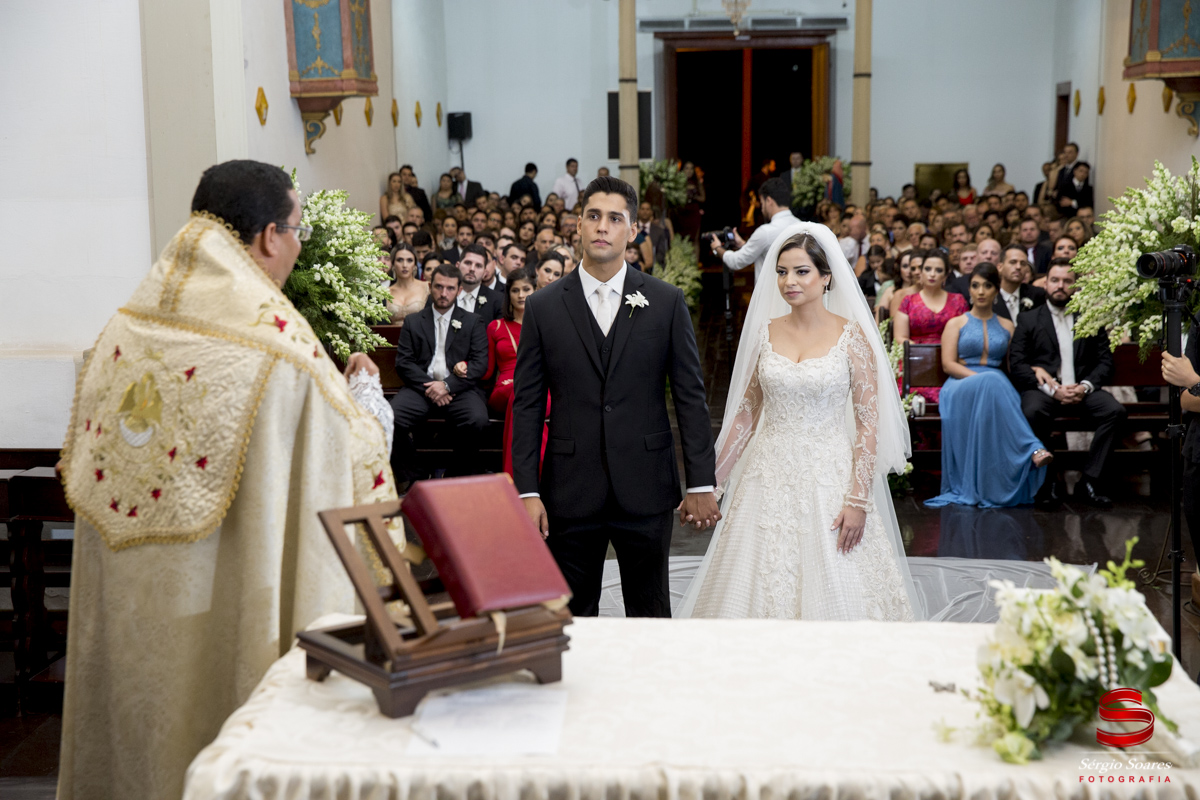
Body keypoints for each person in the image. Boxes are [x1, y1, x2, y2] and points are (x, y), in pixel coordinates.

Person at [57, 160, 403, 799]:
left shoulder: (122, 332)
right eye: (296, 231)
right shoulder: (279, 351)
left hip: (133, 614)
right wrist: (365, 395)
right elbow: (349, 456)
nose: (297, 247)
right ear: (269, 236)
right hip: (223, 611)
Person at [680, 225, 917, 620]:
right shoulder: (765, 332)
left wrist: (858, 499)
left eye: (802, 271)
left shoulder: (852, 335)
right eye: (782, 271)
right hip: (766, 474)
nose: (789, 281)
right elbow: (745, 416)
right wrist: (711, 485)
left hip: (830, 475)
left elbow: (867, 425)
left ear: (826, 277)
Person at [512, 176, 719, 618]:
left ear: (632, 228)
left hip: (645, 485)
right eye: (593, 216)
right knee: (572, 616)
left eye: (614, 218)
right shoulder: (545, 307)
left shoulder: (665, 302)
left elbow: (690, 396)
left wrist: (701, 481)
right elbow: (527, 405)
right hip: (568, 488)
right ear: (579, 225)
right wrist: (526, 491)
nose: (602, 226)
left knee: (650, 613)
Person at [925, 263, 1051, 508]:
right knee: (992, 380)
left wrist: (1035, 368)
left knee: (996, 382)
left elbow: (1016, 363)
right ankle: (1033, 448)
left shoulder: (1007, 326)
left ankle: (998, 484)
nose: (980, 291)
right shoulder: (956, 323)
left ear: (996, 291)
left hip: (996, 390)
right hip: (961, 386)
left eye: (987, 285)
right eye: (975, 285)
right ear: (969, 290)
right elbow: (949, 364)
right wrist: (982, 379)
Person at [1010, 261, 1125, 508]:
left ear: (1075, 285)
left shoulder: (1090, 318)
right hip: (1046, 392)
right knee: (1031, 410)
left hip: (1082, 390)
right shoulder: (1029, 319)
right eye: (1055, 280)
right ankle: (1047, 482)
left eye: (1067, 281)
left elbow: (1105, 362)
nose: (1060, 286)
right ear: (1045, 283)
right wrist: (1053, 389)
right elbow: (1017, 364)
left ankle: (1090, 481)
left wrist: (1084, 386)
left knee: (1115, 412)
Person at [391, 264, 490, 484]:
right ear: (430, 286)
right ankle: (415, 473)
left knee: (477, 420)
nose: (443, 293)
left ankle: (454, 475)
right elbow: (404, 363)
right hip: (420, 388)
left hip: (459, 389)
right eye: (438, 287)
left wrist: (447, 386)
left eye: (450, 288)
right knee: (391, 417)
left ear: (459, 290)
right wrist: (432, 387)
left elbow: (479, 364)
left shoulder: (473, 322)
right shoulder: (414, 321)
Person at [484, 268, 547, 477]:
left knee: (528, 396)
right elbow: (487, 371)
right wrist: (464, 364)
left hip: (539, 384)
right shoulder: (496, 326)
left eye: (526, 289)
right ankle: (521, 474)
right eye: (515, 290)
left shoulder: (544, 325)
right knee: (518, 394)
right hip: (505, 388)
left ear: (535, 290)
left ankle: (529, 471)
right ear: (508, 294)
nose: (521, 295)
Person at [894, 249, 968, 402]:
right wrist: (922, 355)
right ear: (920, 272)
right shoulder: (908, 301)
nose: (932, 274)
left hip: (951, 359)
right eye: (928, 269)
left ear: (946, 276)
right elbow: (900, 337)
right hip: (915, 361)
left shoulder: (958, 300)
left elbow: (965, 334)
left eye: (938, 270)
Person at [1160, 327, 1200, 563]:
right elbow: (1185, 397)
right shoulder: (1199, 319)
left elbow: (1190, 383)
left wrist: (1196, 382)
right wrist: (1192, 385)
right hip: (1198, 451)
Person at [710, 177, 798, 279]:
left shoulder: (765, 232)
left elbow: (736, 261)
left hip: (767, 294)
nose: (762, 208)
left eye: (762, 203)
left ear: (769, 200)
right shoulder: (801, 226)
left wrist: (717, 248)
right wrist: (744, 244)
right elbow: (765, 252)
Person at [454, 244, 504, 325]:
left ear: (485, 272)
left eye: (478, 266)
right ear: (457, 266)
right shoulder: (442, 295)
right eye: (468, 263)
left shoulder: (497, 300)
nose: (472, 269)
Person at [386, 243, 430, 325]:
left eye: (409, 260)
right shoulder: (386, 292)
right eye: (400, 260)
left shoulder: (426, 287)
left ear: (415, 265)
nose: (404, 265)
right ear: (393, 264)